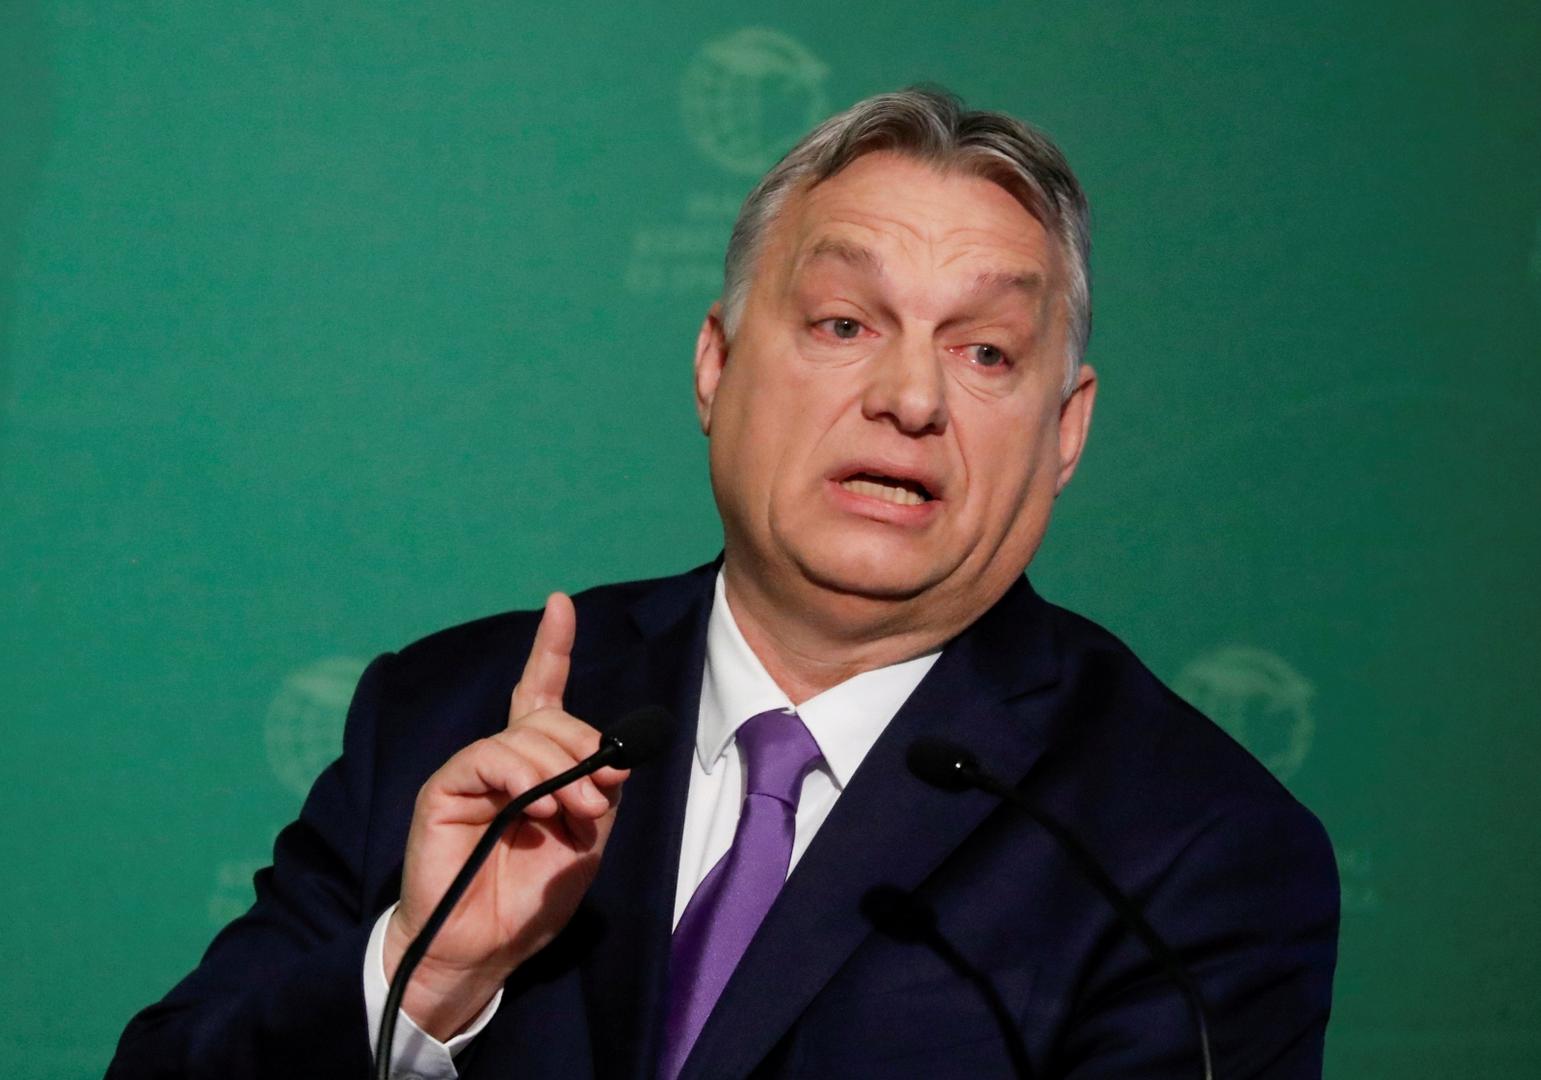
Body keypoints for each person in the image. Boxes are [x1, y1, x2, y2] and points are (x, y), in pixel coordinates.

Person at [107, 87, 1339, 1079]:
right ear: (714, 364)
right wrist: (425, 979)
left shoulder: (1183, 848)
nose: (909, 399)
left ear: (1063, 431)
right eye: (843, 325)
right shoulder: (448, 718)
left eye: (983, 351)